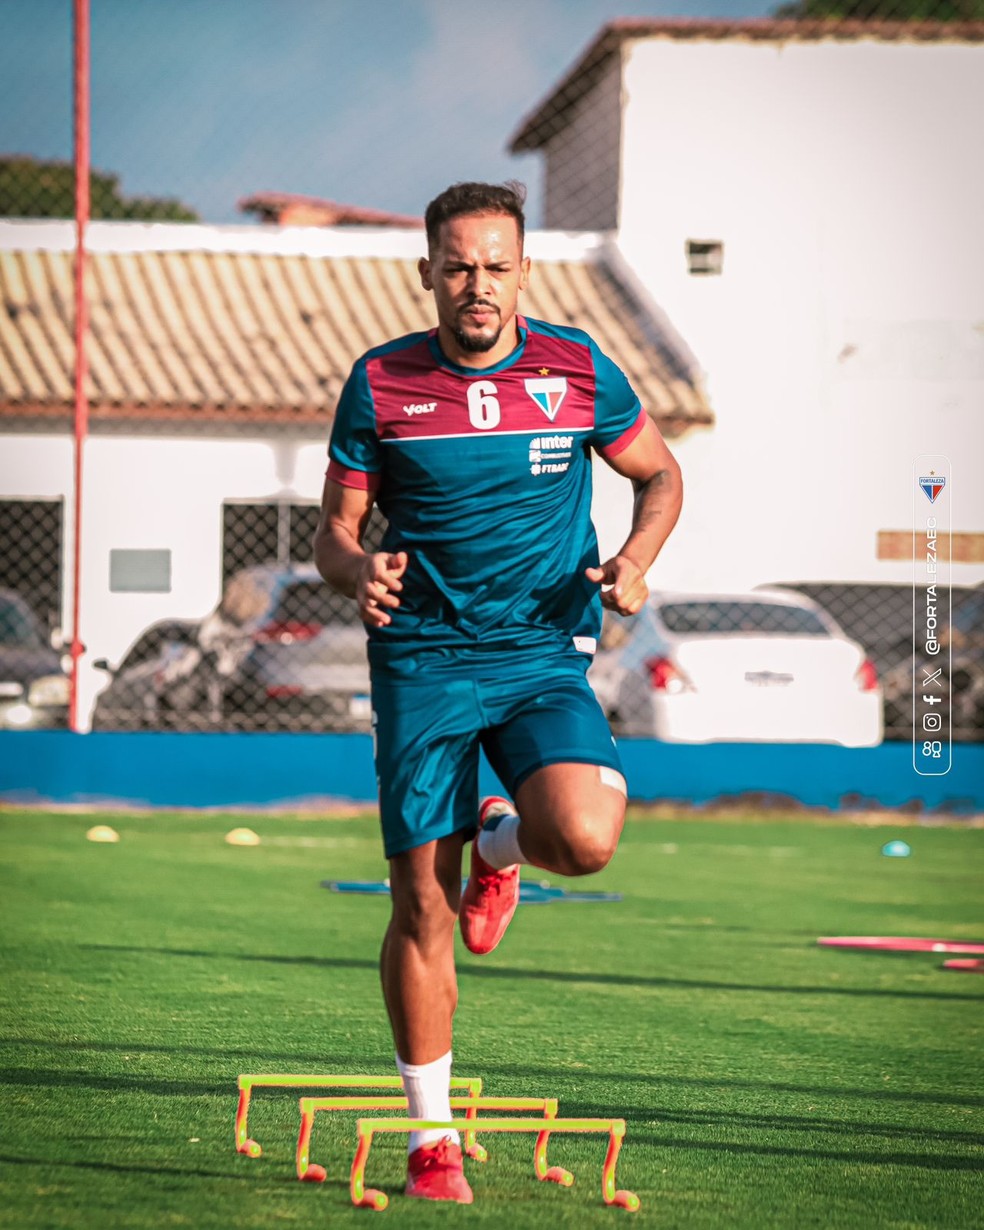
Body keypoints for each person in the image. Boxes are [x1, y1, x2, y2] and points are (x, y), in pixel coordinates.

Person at [313, 180, 682, 1204]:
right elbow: (334, 534)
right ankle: (431, 1140)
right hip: (424, 659)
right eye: (460, 265)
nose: (479, 285)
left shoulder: (576, 368)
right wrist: (357, 571)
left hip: (540, 654)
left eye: (498, 264)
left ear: (525, 268)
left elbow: (661, 475)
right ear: (429, 269)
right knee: (420, 904)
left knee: (586, 836)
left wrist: (638, 560)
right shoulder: (380, 382)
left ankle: (504, 847)